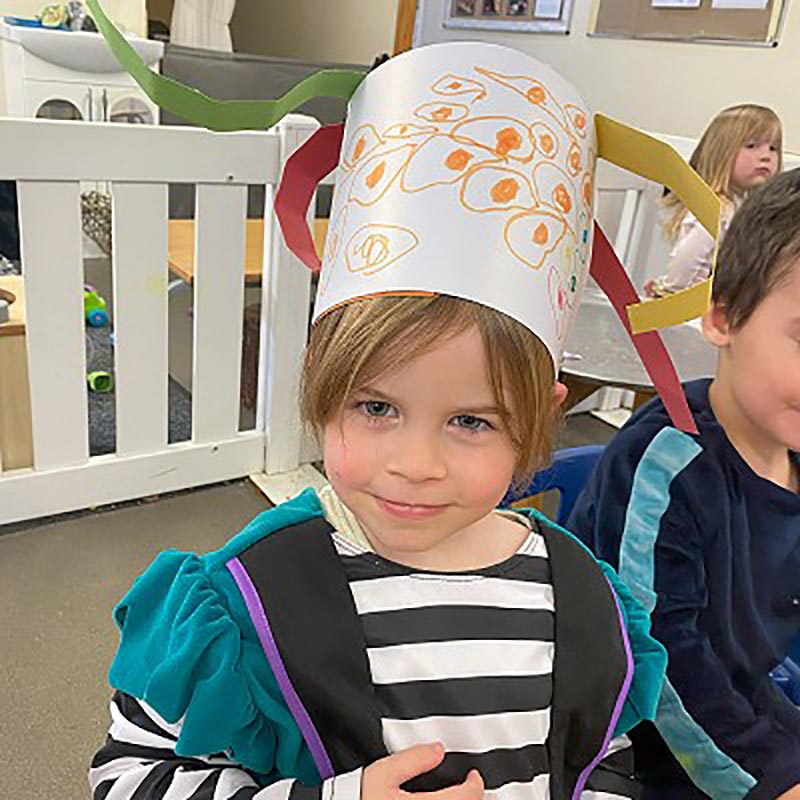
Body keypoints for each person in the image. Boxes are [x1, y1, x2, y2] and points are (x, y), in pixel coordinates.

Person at [83, 34, 696, 800]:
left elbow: (596, 760)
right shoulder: (246, 601)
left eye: (471, 421)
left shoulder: (580, 598)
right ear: (322, 385)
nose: (414, 462)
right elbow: (129, 779)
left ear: (541, 419)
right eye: (376, 407)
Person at [568, 168, 800, 800]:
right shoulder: (664, 466)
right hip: (625, 747)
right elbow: (659, 664)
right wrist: (774, 780)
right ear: (722, 317)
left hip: (746, 706)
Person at [645, 104, 782, 299]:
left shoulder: (743, 204)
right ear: (721, 153)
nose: (766, 156)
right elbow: (689, 257)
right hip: (695, 309)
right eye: (752, 146)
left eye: (773, 148)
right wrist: (672, 290)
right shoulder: (717, 210)